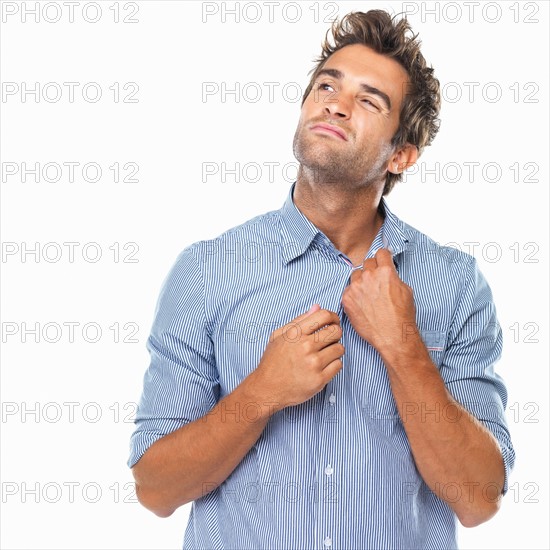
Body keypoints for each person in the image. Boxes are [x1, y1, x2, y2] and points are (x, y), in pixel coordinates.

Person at [128, 10, 515, 549]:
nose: (336, 103)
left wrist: (404, 348)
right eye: (326, 85)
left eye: (369, 100)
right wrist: (261, 392)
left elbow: (478, 500)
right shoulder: (206, 271)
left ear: (401, 155)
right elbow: (156, 489)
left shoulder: (454, 284)